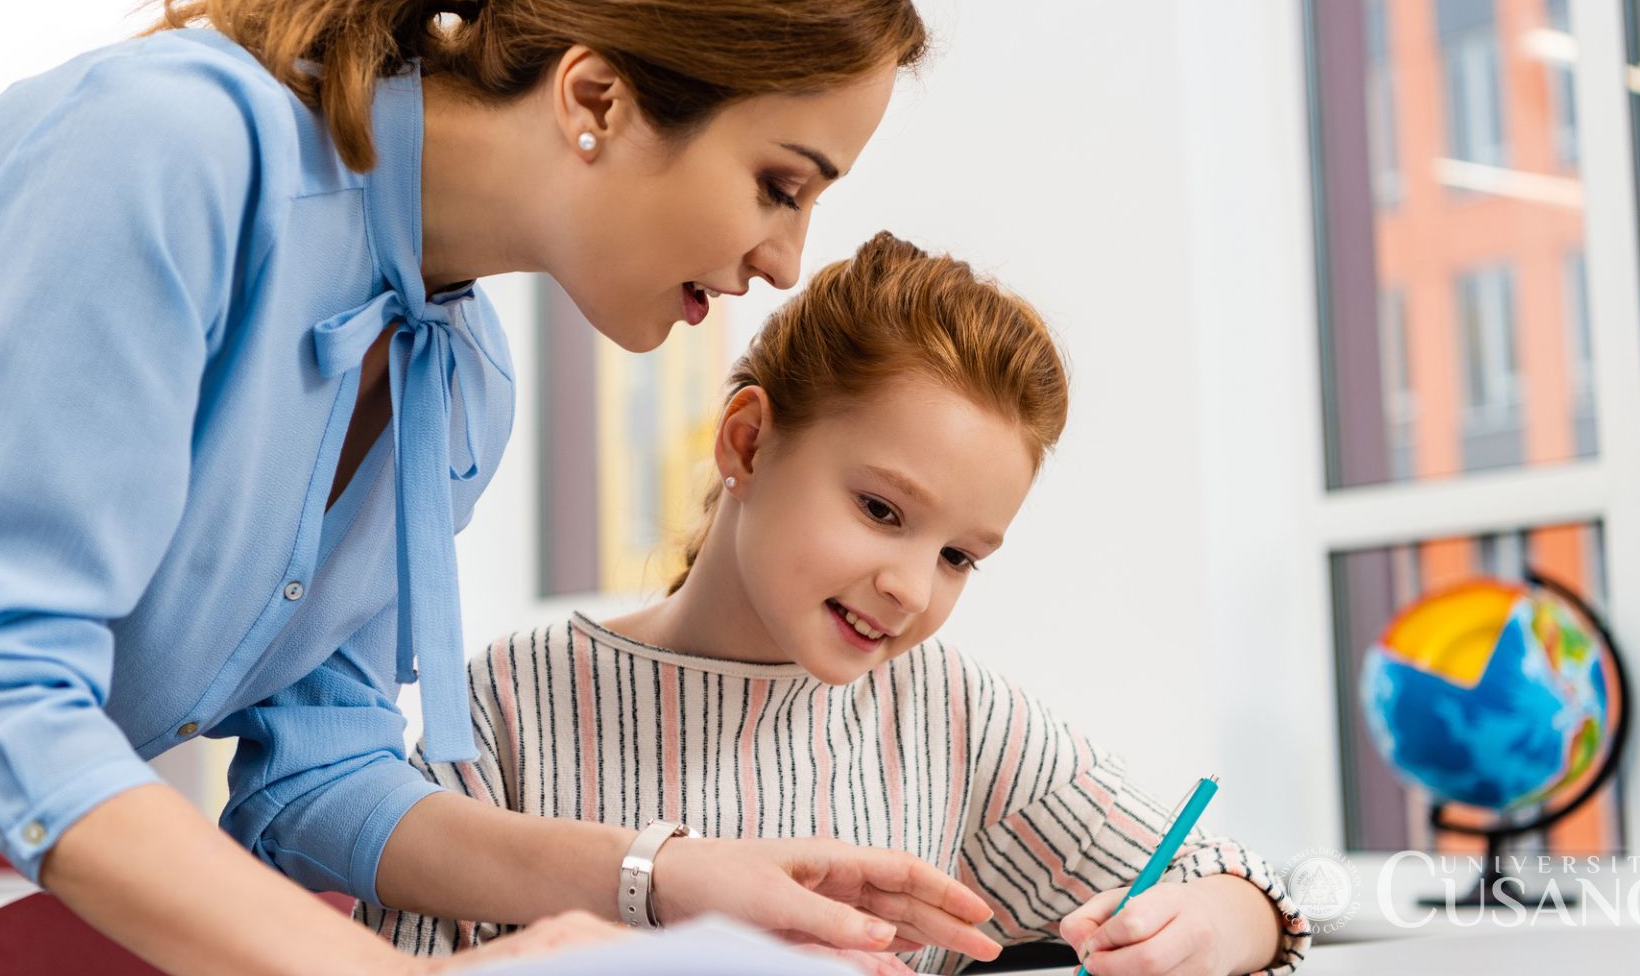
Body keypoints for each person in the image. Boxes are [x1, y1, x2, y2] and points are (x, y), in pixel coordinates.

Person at [0, 0, 1007, 972]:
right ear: (596, 97)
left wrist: (667, 876)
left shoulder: (461, 386)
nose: (785, 260)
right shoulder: (172, 155)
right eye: (781, 185)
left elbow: (319, 776)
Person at [359, 233, 1316, 975]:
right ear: (746, 444)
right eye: (880, 509)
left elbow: (1246, 891)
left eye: (957, 556)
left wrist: (1213, 929)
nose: (911, 586)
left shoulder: (950, 713)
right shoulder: (508, 706)